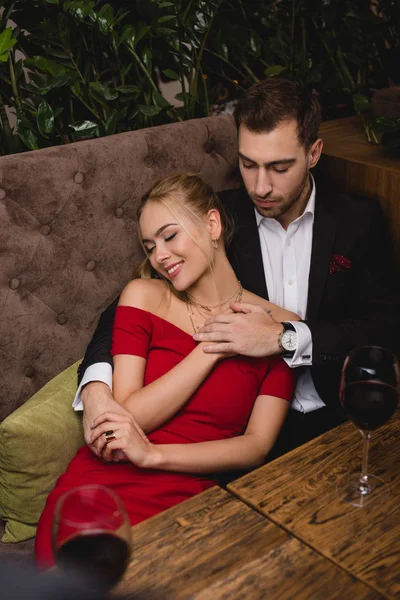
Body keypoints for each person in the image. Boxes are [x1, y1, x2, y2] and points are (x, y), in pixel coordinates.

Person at [75, 77, 400, 459]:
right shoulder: (220, 217)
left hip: (337, 414)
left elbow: (384, 329)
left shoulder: (357, 220)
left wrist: (286, 338)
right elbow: (124, 309)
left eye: (279, 167)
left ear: (313, 153)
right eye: (248, 164)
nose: (261, 186)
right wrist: (95, 389)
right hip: (240, 426)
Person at [35, 173, 295, 567]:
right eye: (150, 245)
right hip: (101, 486)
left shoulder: (277, 325)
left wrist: (154, 455)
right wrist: (211, 348)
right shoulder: (144, 296)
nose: (159, 256)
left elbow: (256, 446)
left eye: (170, 236)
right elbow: (129, 414)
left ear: (212, 225)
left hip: (189, 495)